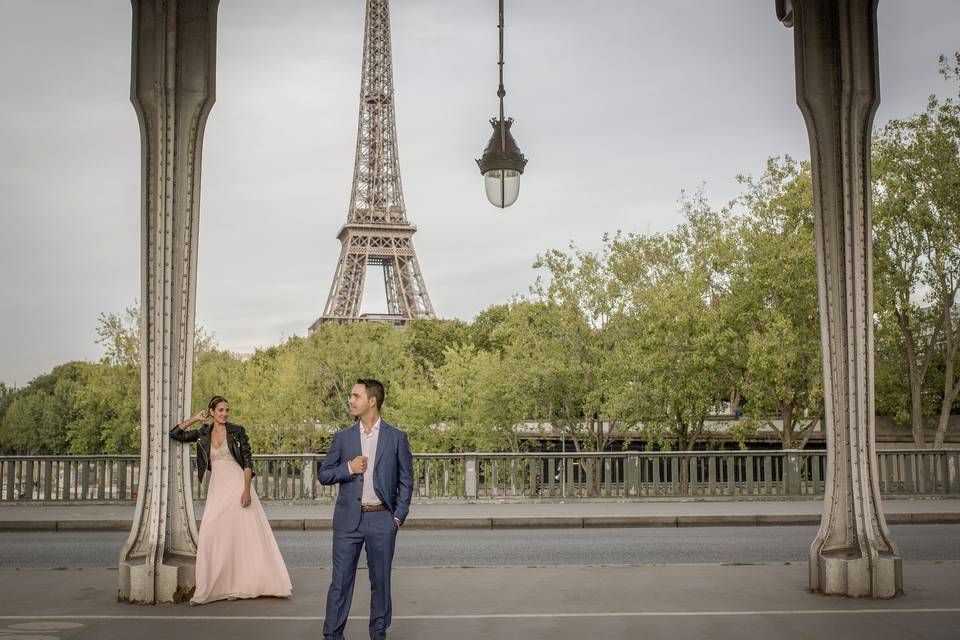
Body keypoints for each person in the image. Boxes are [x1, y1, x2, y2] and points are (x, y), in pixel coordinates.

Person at [169, 395, 292, 605]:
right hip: (217, 487)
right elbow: (175, 434)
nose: (225, 414)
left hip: (237, 484)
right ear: (212, 411)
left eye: (227, 410)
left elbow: (246, 462)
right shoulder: (203, 432)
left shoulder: (237, 431)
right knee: (210, 533)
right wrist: (196, 418)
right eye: (220, 410)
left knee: (243, 536)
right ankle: (215, 586)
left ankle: (242, 584)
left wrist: (246, 491)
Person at [319, 379, 413, 640]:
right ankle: (332, 636)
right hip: (348, 520)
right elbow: (324, 474)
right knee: (340, 583)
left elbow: (407, 480)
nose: (350, 400)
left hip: (382, 519)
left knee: (380, 583)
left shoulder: (397, 438)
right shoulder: (343, 438)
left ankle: (378, 634)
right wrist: (348, 468)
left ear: (371, 400)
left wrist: (397, 517)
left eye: (355, 395)